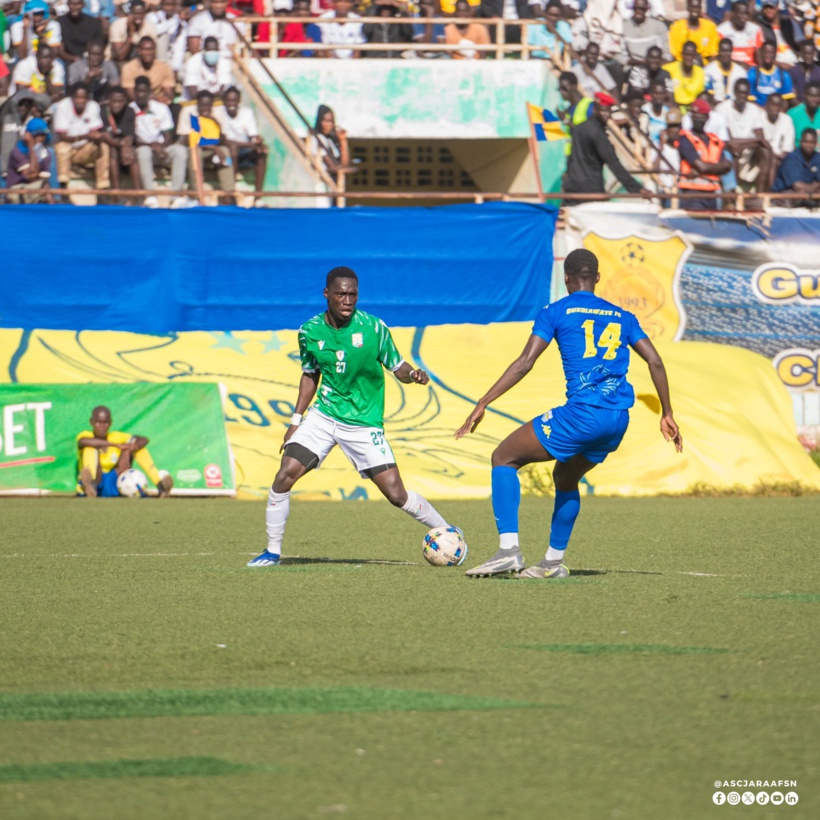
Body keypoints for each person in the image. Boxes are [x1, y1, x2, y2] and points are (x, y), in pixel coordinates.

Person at [454, 248, 682, 579]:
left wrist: (483, 402)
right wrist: (667, 412)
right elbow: (655, 361)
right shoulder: (623, 316)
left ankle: (508, 551)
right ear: (597, 278)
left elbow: (525, 363)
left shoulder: (555, 312)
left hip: (583, 414)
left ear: (566, 279)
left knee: (503, 457)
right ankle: (551, 563)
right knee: (565, 477)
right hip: (617, 419)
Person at [247, 268, 466, 567]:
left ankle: (448, 531)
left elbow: (398, 366)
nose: (347, 300)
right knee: (285, 474)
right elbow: (310, 375)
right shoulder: (309, 331)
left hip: (363, 423)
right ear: (327, 294)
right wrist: (295, 421)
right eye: (341, 294)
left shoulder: (374, 328)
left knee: (396, 494)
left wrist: (413, 374)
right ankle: (272, 551)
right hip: (324, 416)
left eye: (353, 294)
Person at [563, 92, 651, 203]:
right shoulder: (598, 133)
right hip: (590, 191)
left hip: (572, 188)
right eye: (603, 110)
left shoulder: (580, 128)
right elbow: (614, 164)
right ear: (595, 109)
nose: (606, 115)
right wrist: (638, 189)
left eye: (608, 111)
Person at [77, 405, 174, 498]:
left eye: (105, 422)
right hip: (98, 480)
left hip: (113, 481)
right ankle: (90, 486)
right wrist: (117, 445)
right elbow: (83, 441)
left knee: (137, 448)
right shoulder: (86, 435)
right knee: (90, 448)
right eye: (98, 422)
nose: (102, 426)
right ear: (91, 422)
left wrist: (128, 449)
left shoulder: (116, 436)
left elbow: (143, 440)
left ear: (110, 423)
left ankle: (160, 485)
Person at [131, 74, 188, 207]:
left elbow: (168, 134)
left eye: (144, 91)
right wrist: (152, 146)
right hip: (144, 149)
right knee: (143, 152)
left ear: (149, 92)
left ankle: (175, 195)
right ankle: (150, 195)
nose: (141, 95)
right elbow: (132, 138)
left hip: (162, 148)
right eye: (138, 91)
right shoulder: (130, 109)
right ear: (134, 92)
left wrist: (161, 146)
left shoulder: (160, 108)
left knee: (180, 151)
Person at [176, 89, 235, 199]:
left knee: (225, 152)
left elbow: (223, 138)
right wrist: (214, 148)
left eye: (208, 105)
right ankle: (197, 191)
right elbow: (189, 140)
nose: (205, 108)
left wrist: (214, 120)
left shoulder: (218, 113)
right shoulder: (188, 112)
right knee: (195, 152)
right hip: (192, 148)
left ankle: (229, 193)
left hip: (212, 149)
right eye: (202, 105)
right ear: (197, 104)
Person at [53, 81, 110, 192]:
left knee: (103, 147)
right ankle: (63, 186)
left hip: (84, 149)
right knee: (62, 147)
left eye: (84, 98)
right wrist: (85, 136)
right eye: (78, 98)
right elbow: (62, 136)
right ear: (72, 98)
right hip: (68, 149)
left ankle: (102, 188)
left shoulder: (93, 106)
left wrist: (100, 136)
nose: (81, 101)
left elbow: (95, 132)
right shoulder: (63, 106)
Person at [716, 77, 771, 190]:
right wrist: (755, 140)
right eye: (739, 92)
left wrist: (751, 143)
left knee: (766, 151)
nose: (742, 96)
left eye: (745, 93)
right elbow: (728, 141)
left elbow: (761, 138)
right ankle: (733, 193)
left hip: (749, 150)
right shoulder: (722, 109)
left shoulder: (754, 110)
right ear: (734, 92)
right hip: (728, 150)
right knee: (733, 150)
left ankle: (760, 193)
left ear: (748, 94)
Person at [678, 96, 732, 209]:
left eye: (700, 116)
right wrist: (720, 166)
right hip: (692, 193)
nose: (696, 119)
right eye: (694, 115)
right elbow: (702, 167)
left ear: (707, 118)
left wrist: (715, 167)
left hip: (712, 192)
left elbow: (726, 168)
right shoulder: (685, 138)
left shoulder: (714, 140)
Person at [216, 86, 267, 192]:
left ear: (239, 101)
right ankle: (231, 190)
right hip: (226, 153)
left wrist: (258, 142)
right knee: (233, 148)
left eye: (235, 100)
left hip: (243, 150)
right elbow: (224, 140)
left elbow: (253, 135)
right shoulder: (218, 112)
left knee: (261, 153)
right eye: (229, 100)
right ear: (224, 101)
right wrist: (250, 144)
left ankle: (258, 195)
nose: (232, 104)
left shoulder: (247, 112)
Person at [102, 85, 140, 194]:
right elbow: (105, 136)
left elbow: (130, 135)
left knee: (131, 153)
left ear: (126, 101)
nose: (116, 105)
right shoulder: (102, 111)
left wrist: (126, 145)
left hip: (125, 148)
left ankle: (138, 193)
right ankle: (116, 194)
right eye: (114, 101)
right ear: (109, 101)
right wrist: (121, 145)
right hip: (110, 146)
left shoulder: (130, 111)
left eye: (120, 102)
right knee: (113, 151)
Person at [5, 116, 52, 202]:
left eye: (43, 135)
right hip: (15, 191)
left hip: (35, 190)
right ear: (29, 135)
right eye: (37, 135)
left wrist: (36, 176)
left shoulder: (45, 153)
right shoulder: (17, 152)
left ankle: (54, 209)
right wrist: (31, 146)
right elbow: (31, 174)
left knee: (45, 186)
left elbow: (43, 177)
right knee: (44, 186)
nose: (41, 138)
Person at [771, 126, 820, 205]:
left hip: (807, 194)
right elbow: (797, 186)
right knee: (799, 194)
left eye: (811, 142)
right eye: (805, 142)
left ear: (816, 143)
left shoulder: (817, 157)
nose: (808, 145)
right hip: (783, 193)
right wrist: (815, 186)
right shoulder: (791, 158)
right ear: (800, 142)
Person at [121, 35, 175, 104]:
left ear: (155, 50)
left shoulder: (165, 67)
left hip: (159, 104)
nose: (148, 53)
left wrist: (164, 101)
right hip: (137, 104)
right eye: (145, 50)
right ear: (139, 50)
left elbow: (169, 95)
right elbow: (131, 96)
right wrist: (151, 100)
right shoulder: (128, 68)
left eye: (151, 49)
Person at [67, 38, 119, 103]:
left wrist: (102, 79)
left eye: (99, 54)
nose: (96, 58)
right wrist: (87, 79)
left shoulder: (109, 65)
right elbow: (72, 91)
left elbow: (115, 88)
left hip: (103, 101)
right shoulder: (76, 67)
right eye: (93, 54)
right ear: (87, 54)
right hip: (82, 102)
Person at [183, 35, 233, 100]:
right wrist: (212, 97)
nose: (212, 53)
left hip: (218, 102)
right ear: (203, 51)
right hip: (193, 102)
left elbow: (223, 90)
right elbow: (193, 94)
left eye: (215, 50)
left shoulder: (224, 63)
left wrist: (208, 97)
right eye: (209, 50)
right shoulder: (192, 62)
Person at [761, 91, 795, 187]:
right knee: (768, 159)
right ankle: (771, 192)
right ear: (766, 105)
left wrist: (775, 156)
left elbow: (787, 149)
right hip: (760, 156)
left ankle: (773, 191)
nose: (775, 109)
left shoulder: (787, 120)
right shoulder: (759, 118)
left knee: (775, 162)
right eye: (772, 105)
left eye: (778, 106)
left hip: (779, 158)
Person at [109, 0, 158, 65]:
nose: (138, 17)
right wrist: (130, 34)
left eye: (141, 13)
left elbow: (151, 53)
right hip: (118, 62)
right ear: (130, 13)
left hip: (141, 62)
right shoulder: (118, 25)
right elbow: (119, 56)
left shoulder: (150, 27)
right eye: (135, 13)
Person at [747, 41, 795, 106]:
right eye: (766, 52)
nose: (768, 55)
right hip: (758, 110)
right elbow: (750, 100)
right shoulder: (752, 73)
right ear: (761, 53)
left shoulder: (783, 75)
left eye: (771, 52)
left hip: (777, 110)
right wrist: (761, 111)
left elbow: (785, 101)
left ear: (775, 55)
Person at [622, 0, 669, 67]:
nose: (638, 11)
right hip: (634, 66)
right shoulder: (624, 27)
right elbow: (619, 54)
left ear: (647, 9)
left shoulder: (659, 26)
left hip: (656, 66)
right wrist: (638, 63)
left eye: (642, 9)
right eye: (635, 8)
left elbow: (667, 53)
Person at [716, 0, 762, 67]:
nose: (744, 17)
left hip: (751, 69)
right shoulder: (721, 31)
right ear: (733, 14)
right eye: (741, 13)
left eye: (746, 14)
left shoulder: (755, 30)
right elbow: (718, 56)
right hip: (730, 68)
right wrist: (739, 65)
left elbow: (760, 58)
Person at [703, 37, 748, 104]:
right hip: (714, 106)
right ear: (718, 51)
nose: (725, 54)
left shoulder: (741, 73)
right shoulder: (708, 70)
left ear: (732, 51)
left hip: (734, 106)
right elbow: (707, 95)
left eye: (728, 51)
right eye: (723, 51)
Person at [57, 0, 103, 65]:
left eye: (77, 4)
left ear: (83, 5)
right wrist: (73, 58)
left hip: (90, 60)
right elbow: (60, 51)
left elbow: (97, 46)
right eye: (71, 4)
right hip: (66, 60)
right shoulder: (60, 22)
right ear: (67, 4)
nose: (74, 7)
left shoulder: (94, 23)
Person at [147, 0, 188, 71]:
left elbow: (180, 44)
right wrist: (175, 20)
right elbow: (156, 31)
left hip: (172, 54)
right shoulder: (152, 16)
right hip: (155, 53)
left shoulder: (181, 22)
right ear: (161, 5)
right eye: (167, 5)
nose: (169, 8)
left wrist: (176, 67)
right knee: (164, 36)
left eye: (172, 5)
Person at [665, 40, 706, 107]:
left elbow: (700, 94)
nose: (689, 58)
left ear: (695, 56)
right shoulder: (669, 69)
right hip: (674, 107)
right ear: (682, 54)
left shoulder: (700, 72)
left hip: (693, 108)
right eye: (686, 54)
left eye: (691, 55)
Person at [311, 103, 349, 175]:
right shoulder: (317, 139)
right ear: (319, 121)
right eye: (326, 121)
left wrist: (343, 140)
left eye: (331, 121)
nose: (329, 124)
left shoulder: (329, 140)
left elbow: (344, 165)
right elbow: (333, 167)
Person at [639, 77, 671, 146]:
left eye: (661, 94)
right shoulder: (644, 110)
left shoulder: (668, 113)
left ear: (665, 94)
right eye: (656, 93)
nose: (658, 97)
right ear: (650, 94)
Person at [788, 79, 820, 146]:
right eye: (810, 96)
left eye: (817, 96)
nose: (813, 99)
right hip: (798, 151)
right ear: (804, 95)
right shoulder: (792, 114)